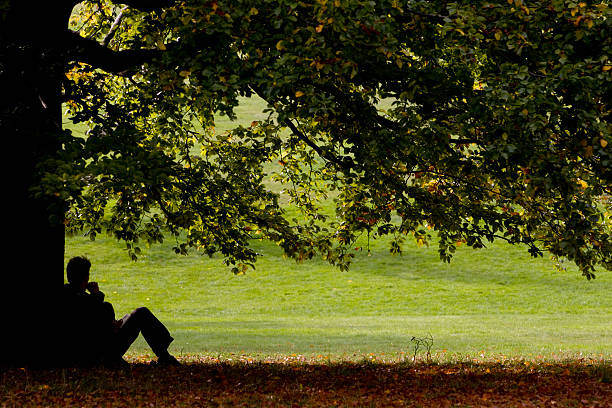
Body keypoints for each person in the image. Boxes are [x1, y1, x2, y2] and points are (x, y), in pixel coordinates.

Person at [62, 256, 180, 367]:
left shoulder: (69, 295)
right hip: (100, 353)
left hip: (94, 351)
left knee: (138, 314)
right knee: (141, 314)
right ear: (84, 277)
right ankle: (164, 355)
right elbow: (95, 320)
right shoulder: (85, 300)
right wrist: (96, 295)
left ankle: (164, 353)